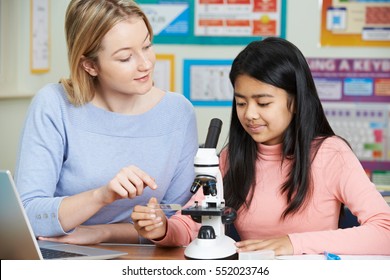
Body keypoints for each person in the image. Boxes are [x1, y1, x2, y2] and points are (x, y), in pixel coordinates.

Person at [131, 37, 390, 256]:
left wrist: (293, 243)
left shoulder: (331, 154)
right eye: (241, 103)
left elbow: (385, 231)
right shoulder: (232, 157)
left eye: (263, 103)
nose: (250, 115)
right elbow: (190, 225)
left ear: (297, 101)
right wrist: (162, 229)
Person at [14, 0, 198, 245]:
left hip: (142, 262)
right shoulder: (54, 105)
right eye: (125, 58)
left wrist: (103, 232)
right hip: (62, 257)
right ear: (89, 65)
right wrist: (102, 195)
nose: (145, 64)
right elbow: (28, 216)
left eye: (147, 46)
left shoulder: (178, 113)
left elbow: (177, 222)